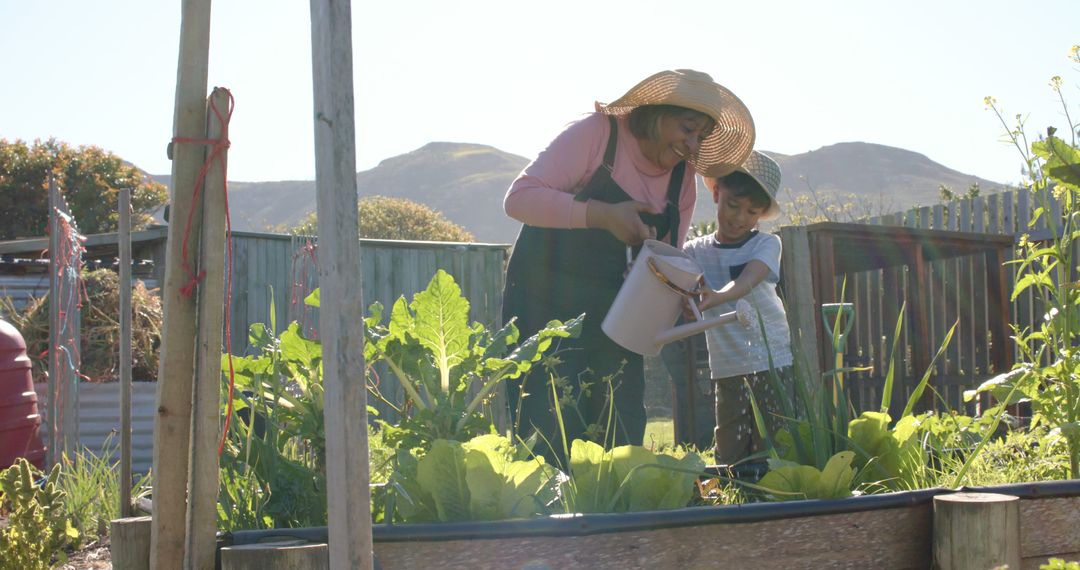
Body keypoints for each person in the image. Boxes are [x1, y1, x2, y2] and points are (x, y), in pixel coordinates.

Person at [501, 69, 755, 464]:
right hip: (543, 299)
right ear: (656, 113)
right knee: (547, 423)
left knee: (620, 428)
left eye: (701, 136)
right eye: (687, 128)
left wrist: (680, 294)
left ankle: (619, 523)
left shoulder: (682, 178)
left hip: (616, 312)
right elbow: (519, 199)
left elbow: (666, 259)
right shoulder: (596, 135)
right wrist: (602, 215)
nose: (692, 144)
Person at [681, 150, 793, 467]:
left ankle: (775, 500)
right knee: (729, 441)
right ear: (717, 193)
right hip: (726, 362)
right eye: (733, 205)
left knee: (773, 437)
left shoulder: (766, 244)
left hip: (771, 359)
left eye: (751, 212)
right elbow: (683, 291)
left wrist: (718, 295)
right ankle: (735, 497)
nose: (739, 218)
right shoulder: (694, 251)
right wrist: (690, 304)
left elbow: (748, 280)